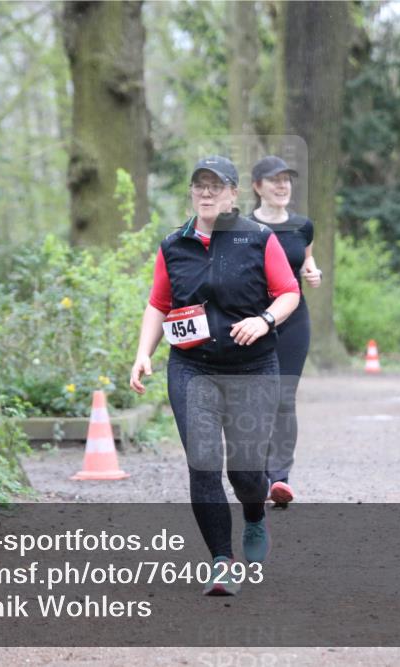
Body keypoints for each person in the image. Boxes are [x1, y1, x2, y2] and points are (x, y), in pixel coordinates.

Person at [130, 156, 300, 596]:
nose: (206, 193)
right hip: (192, 368)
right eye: (199, 185)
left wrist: (264, 320)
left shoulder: (258, 238)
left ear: (232, 195)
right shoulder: (174, 245)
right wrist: (143, 353)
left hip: (253, 369)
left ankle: (255, 514)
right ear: (192, 193)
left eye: (215, 186)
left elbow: (289, 293)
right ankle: (221, 562)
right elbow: (158, 304)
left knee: (245, 470)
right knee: (203, 464)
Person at [249, 156, 321, 509]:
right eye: (274, 180)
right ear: (257, 186)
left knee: (283, 398)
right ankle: (258, 475)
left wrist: (313, 272)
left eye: (286, 180)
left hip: (293, 320)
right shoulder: (240, 227)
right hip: (252, 322)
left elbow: (305, 261)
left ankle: (280, 479)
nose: (282, 186)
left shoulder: (303, 226)